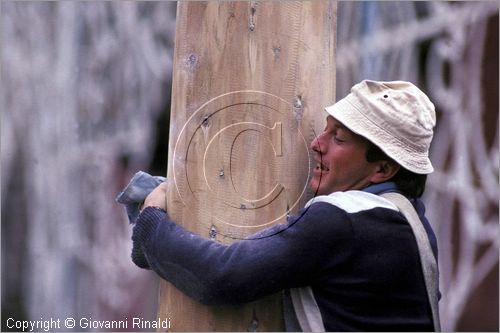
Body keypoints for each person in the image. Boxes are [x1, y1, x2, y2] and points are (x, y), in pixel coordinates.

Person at [129, 80, 440, 331]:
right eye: (326, 129)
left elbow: (220, 276)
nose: (317, 144)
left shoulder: (343, 220)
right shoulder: (414, 225)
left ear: (383, 170)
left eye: (340, 138)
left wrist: (151, 222)